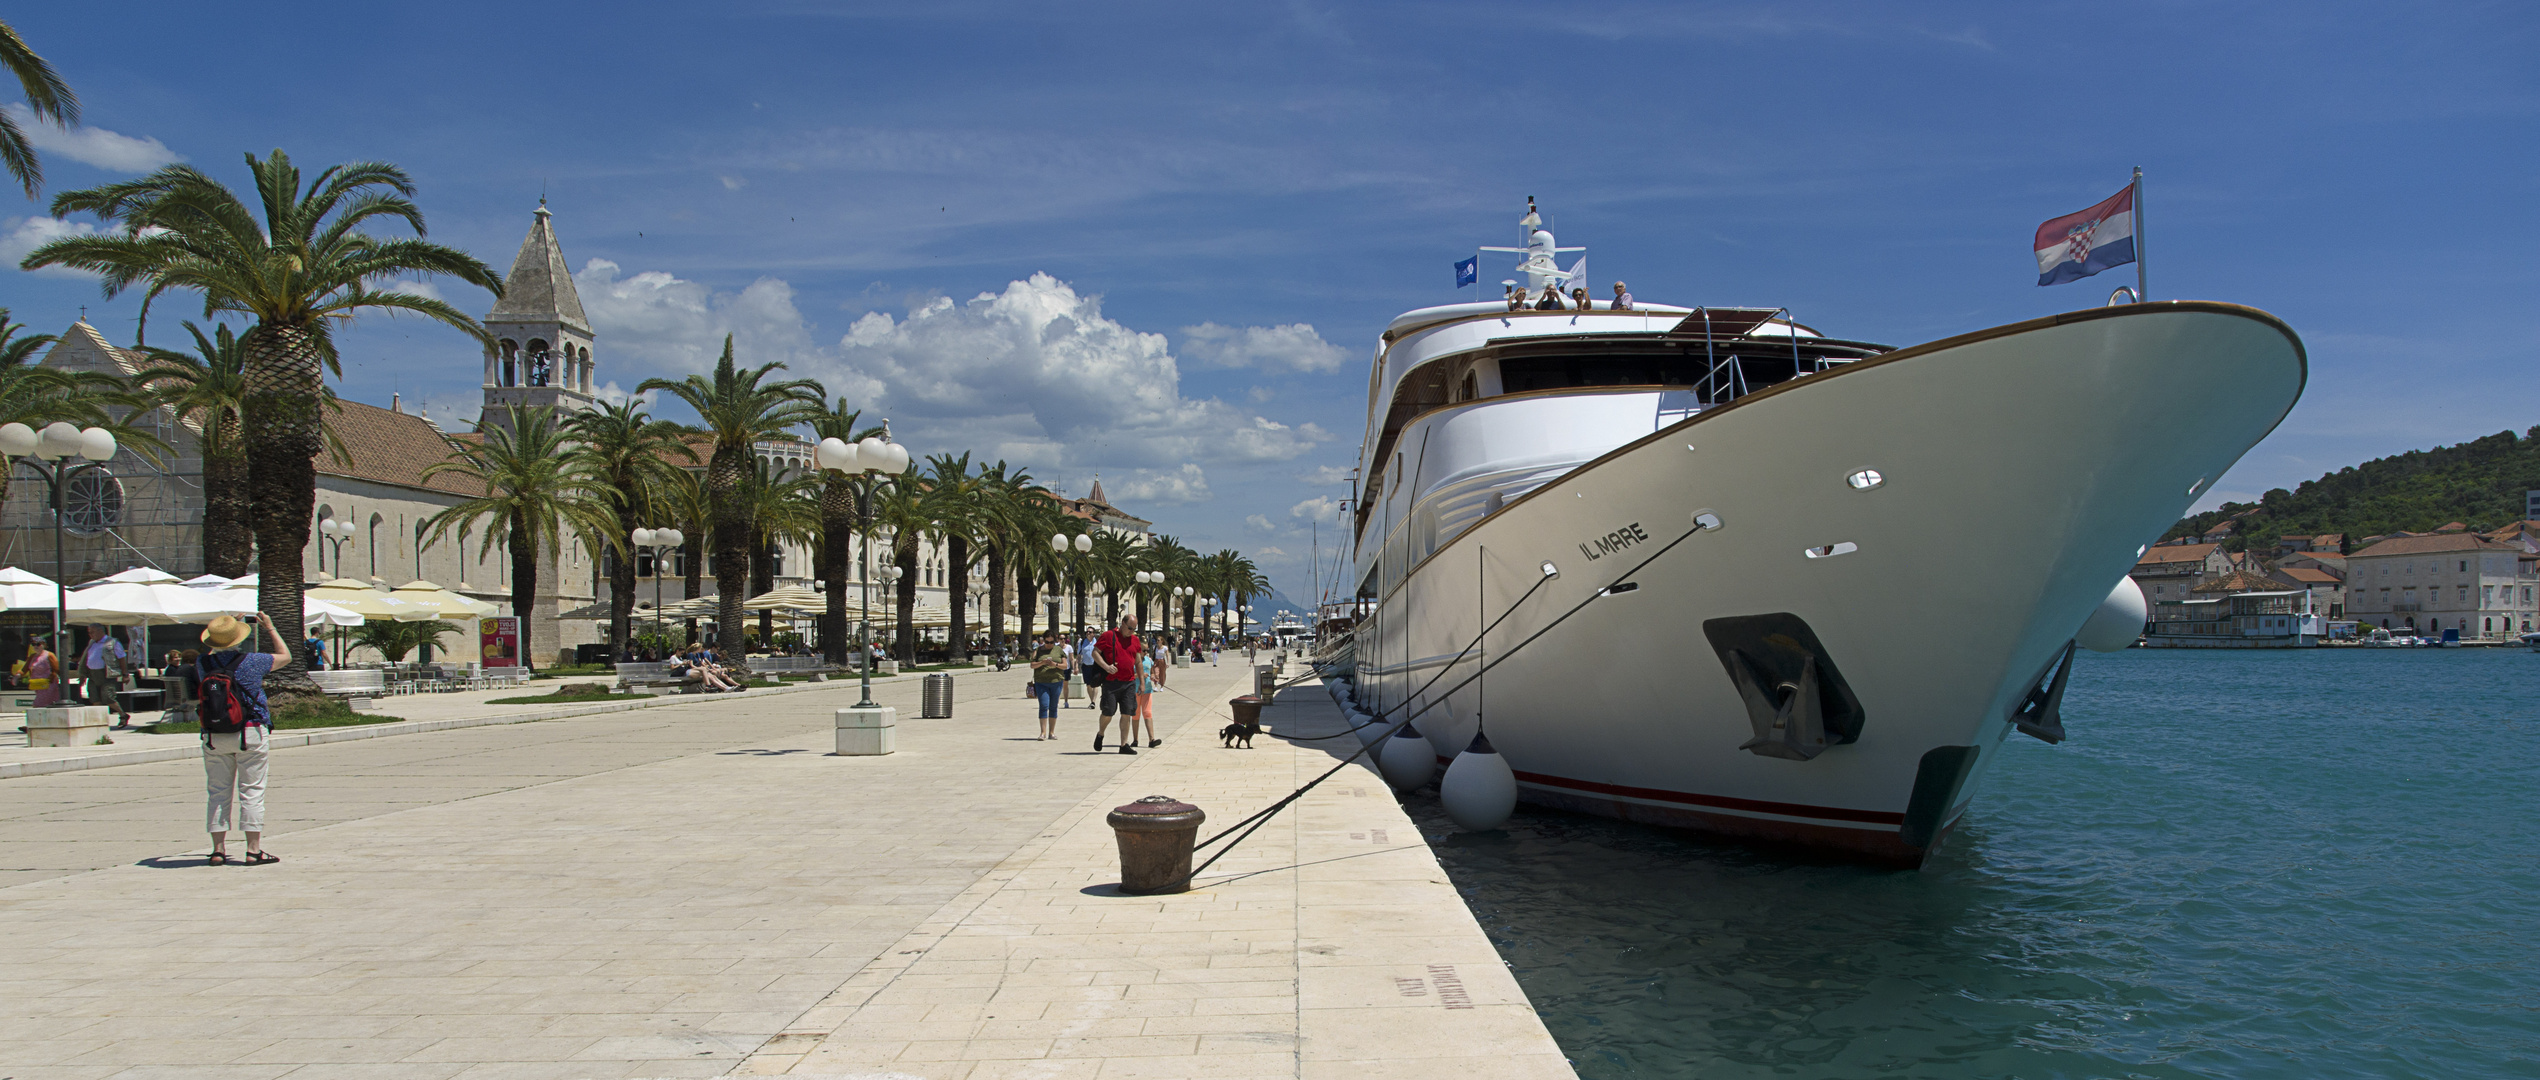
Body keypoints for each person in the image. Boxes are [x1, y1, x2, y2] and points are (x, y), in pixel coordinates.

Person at [197, 612, 292, 866]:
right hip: (250, 730)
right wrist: (270, 629)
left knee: (218, 792)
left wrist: (223, 630)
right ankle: (253, 850)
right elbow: (286, 657)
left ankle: (218, 850)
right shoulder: (252, 661)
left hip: (214, 735)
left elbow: (210, 657)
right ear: (239, 638)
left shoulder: (202, 663)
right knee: (252, 791)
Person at [1091, 616, 1141, 754]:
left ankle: (1123, 745)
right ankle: (1101, 733)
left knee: (1127, 713)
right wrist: (1106, 667)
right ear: (1122, 623)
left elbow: (1138, 662)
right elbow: (1095, 653)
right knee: (1108, 712)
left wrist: (1141, 682)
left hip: (1129, 682)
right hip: (1111, 683)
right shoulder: (1108, 636)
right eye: (1130, 628)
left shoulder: (1135, 640)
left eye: (1134, 629)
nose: (1132, 631)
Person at [81, 624, 130, 727]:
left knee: (108, 698)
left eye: (92, 632)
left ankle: (123, 715)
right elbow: (86, 658)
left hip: (107, 674)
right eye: (89, 632)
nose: (90, 635)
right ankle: (100, 721)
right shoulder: (92, 643)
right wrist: (82, 674)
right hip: (92, 674)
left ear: (100, 631)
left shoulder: (112, 642)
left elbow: (121, 658)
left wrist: (125, 674)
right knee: (94, 698)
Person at [1028, 632, 1067, 739]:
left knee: (1053, 706)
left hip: (1056, 681)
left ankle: (1051, 732)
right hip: (1041, 682)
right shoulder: (1038, 651)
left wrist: (1055, 664)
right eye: (1047, 642)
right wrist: (1042, 663)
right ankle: (1043, 732)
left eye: (1051, 642)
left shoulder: (1059, 650)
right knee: (1044, 705)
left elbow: (1065, 665)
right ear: (1043, 640)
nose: (1049, 644)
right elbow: (1032, 665)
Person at [1133, 644, 1160, 749]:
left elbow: (1152, 671)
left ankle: (1151, 739)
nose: (1146, 652)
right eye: (1143, 650)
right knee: (1135, 714)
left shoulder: (1149, 660)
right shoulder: (1133, 660)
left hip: (1148, 689)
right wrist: (1139, 675)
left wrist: (1153, 676)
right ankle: (1135, 740)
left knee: (1147, 713)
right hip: (1136, 690)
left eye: (1147, 650)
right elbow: (1129, 674)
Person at [26, 636, 58, 707]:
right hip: (37, 684)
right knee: (46, 704)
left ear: (44, 645)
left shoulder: (49, 655)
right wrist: (18, 676)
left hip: (48, 684)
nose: (35, 646)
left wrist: (52, 677)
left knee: (38, 704)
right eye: (33, 644)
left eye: (38, 644)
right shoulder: (32, 656)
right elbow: (25, 668)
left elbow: (56, 669)